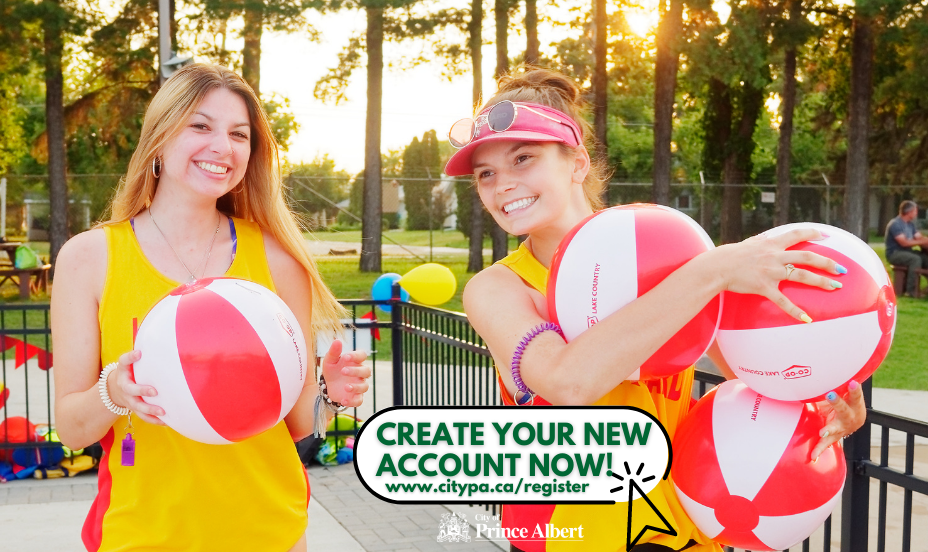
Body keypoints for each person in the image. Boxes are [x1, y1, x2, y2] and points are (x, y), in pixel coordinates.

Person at [447, 66, 867, 552]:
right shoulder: (498, 286)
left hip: (685, 529)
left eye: (523, 158)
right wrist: (712, 271)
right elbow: (568, 382)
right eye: (485, 173)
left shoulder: (667, 251)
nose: (502, 185)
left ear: (577, 163)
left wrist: (821, 404)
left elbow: (753, 371)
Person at [51, 64, 371, 552]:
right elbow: (73, 430)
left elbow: (298, 419)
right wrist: (113, 391)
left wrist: (329, 395)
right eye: (200, 126)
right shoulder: (89, 259)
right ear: (159, 138)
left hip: (269, 532)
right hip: (141, 535)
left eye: (239, 134)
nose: (223, 146)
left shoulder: (278, 259)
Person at [885, 200, 928, 297]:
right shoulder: (895, 224)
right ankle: (911, 291)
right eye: (915, 211)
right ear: (909, 212)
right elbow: (904, 243)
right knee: (915, 259)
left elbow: (919, 237)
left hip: (907, 251)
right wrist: (924, 241)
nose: (916, 213)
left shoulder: (911, 224)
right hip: (895, 253)